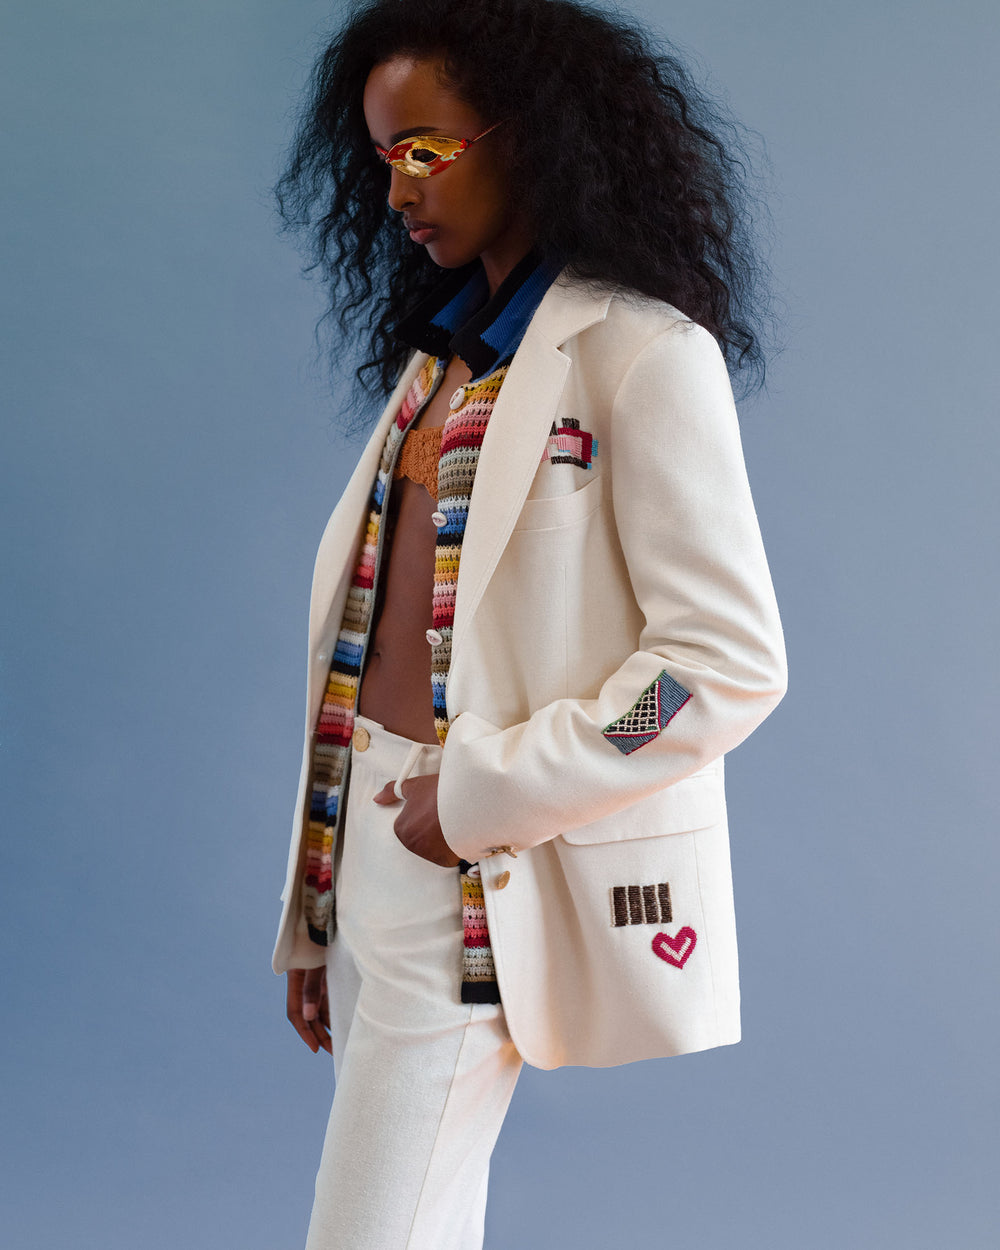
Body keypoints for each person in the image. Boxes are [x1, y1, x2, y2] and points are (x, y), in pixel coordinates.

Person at [271, 1, 787, 1246]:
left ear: (536, 133)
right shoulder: (434, 362)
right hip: (368, 846)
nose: (397, 188)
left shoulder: (640, 354)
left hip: (478, 866)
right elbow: (361, 638)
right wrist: (316, 904)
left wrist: (483, 793)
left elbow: (717, 667)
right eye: (382, 156)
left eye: (425, 149)